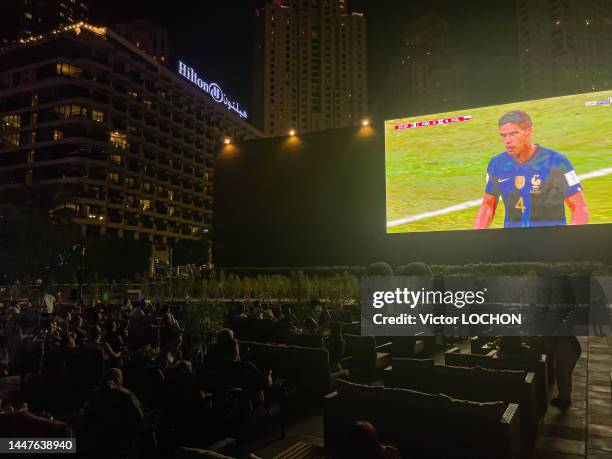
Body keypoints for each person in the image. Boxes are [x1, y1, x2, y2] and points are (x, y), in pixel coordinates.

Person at [474, 110, 589, 229]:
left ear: (528, 132)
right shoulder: (497, 164)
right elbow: (488, 205)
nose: (507, 141)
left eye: (513, 134)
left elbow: (579, 207)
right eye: (503, 135)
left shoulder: (556, 161)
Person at [80, 368, 145, 459]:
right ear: (119, 380)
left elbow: (83, 420)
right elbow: (139, 420)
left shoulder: (91, 396)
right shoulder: (126, 395)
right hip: (121, 448)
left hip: (94, 448)